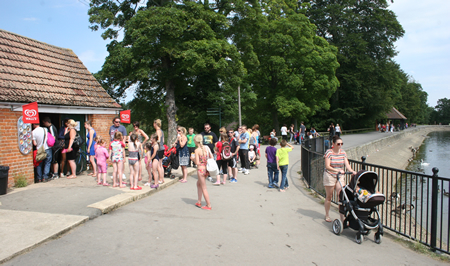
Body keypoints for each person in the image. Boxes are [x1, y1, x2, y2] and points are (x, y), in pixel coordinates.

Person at [323, 135, 357, 222]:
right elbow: (327, 166)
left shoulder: (343, 153)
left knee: (341, 196)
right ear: (333, 144)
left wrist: (352, 171)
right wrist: (336, 170)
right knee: (329, 196)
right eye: (338, 144)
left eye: (342, 143)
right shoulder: (329, 153)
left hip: (340, 176)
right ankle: (327, 215)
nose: (340, 145)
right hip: (330, 175)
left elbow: (347, 164)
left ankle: (342, 218)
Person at [194, 134, 212, 210]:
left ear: (196, 141)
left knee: (204, 187)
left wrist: (192, 159)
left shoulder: (197, 150)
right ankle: (199, 201)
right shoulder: (206, 148)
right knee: (199, 183)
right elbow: (211, 156)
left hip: (200, 169)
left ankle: (208, 205)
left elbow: (197, 163)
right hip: (206, 169)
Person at [153, 119, 165, 185]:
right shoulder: (161, 131)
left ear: (155, 123)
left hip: (159, 148)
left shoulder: (157, 131)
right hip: (162, 148)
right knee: (161, 165)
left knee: (158, 165)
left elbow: (159, 140)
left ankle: (160, 179)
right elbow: (163, 140)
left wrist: (154, 144)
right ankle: (162, 178)